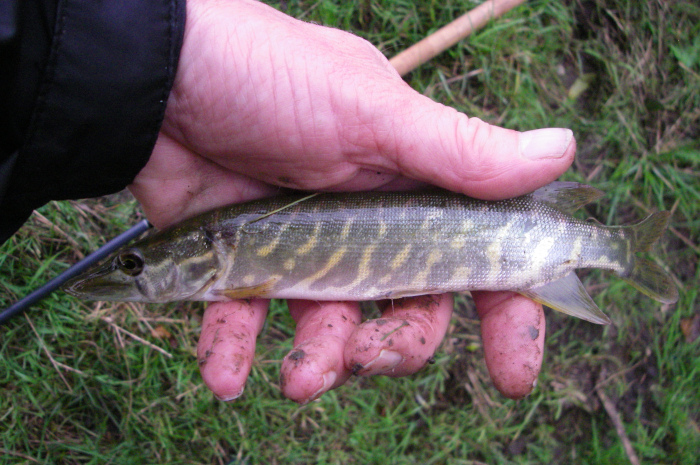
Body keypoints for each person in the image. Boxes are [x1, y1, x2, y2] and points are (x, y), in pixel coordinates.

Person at [1, 0, 576, 403]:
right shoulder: (226, 257)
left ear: (204, 249)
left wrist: (166, 65)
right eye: (133, 266)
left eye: (135, 265)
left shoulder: (228, 247)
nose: (130, 273)